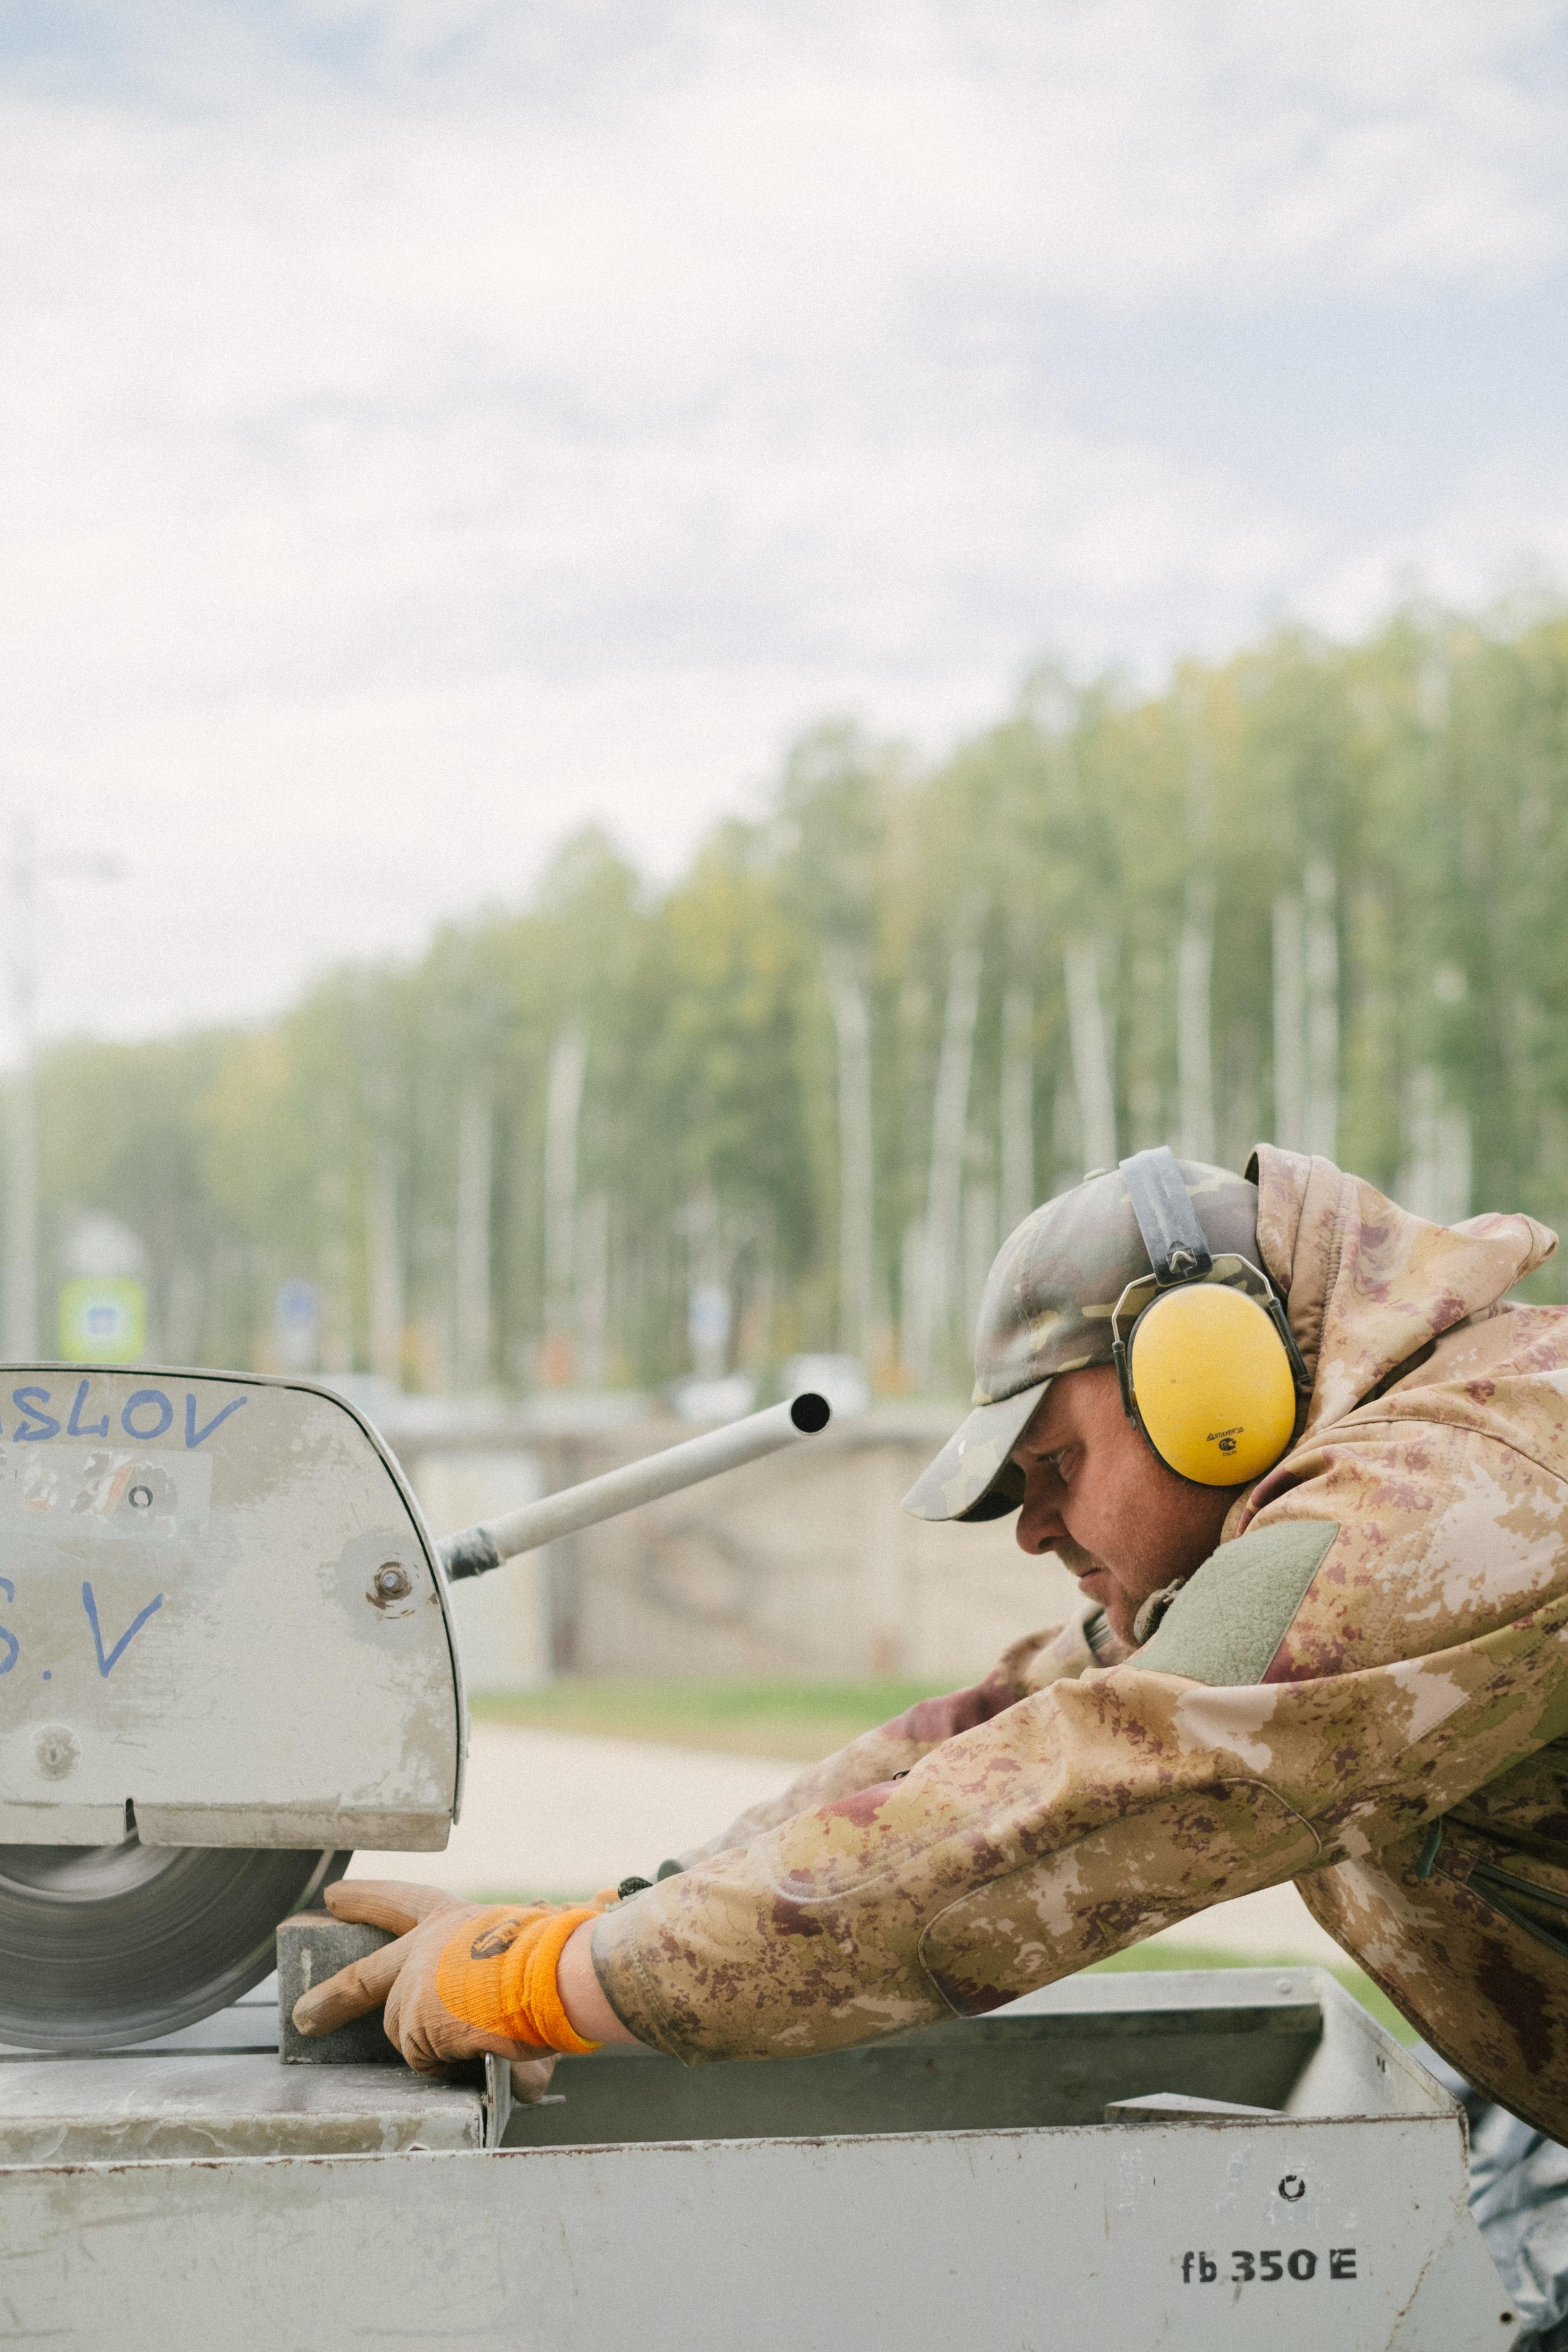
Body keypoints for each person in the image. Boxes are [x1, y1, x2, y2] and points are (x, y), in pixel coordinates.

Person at [295, 1142, 1568, 2150]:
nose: (1034, 1532)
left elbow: (1078, 1796)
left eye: (1055, 1464)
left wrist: (553, 1985)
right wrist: (606, 1923)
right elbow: (974, 1739)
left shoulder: (1454, 1508)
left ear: (1211, 1381)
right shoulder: (1339, 1512)